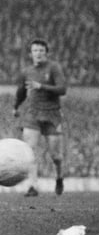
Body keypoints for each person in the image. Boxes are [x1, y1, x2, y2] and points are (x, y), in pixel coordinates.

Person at [12, 38, 67, 197]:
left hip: (52, 114)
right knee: (29, 151)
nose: (38, 53)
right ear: (31, 53)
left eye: (41, 50)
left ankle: (59, 177)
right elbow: (21, 91)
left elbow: (62, 89)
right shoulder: (26, 71)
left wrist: (41, 86)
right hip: (32, 114)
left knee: (55, 155)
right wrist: (15, 106)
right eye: (35, 50)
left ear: (46, 53)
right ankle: (33, 186)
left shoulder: (54, 68)